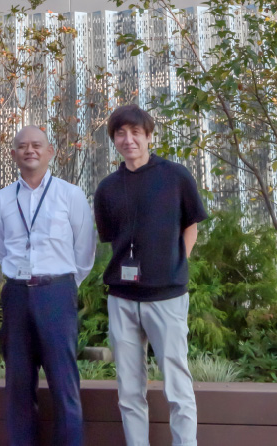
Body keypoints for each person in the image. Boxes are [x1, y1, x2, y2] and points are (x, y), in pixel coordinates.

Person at [94, 105, 208, 446]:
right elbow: (112, 238)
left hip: (167, 297)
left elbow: (191, 227)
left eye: (135, 133)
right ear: (114, 139)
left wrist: (176, 264)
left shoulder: (175, 176)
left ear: (148, 135)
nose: (128, 140)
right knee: (129, 389)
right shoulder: (107, 188)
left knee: (177, 384)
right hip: (123, 298)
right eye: (120, 134)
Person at [0, 125, 96, 446]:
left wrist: (62, 285)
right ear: (13, 155)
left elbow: (85, 250)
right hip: (17, 294)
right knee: (18, 384)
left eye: (37, 145)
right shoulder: (2, 199)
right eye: (22, 146)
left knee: (64, 384)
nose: (30, 150)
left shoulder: (70, 195)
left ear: (50, 152)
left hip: (57, 293)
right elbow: (1, 247)